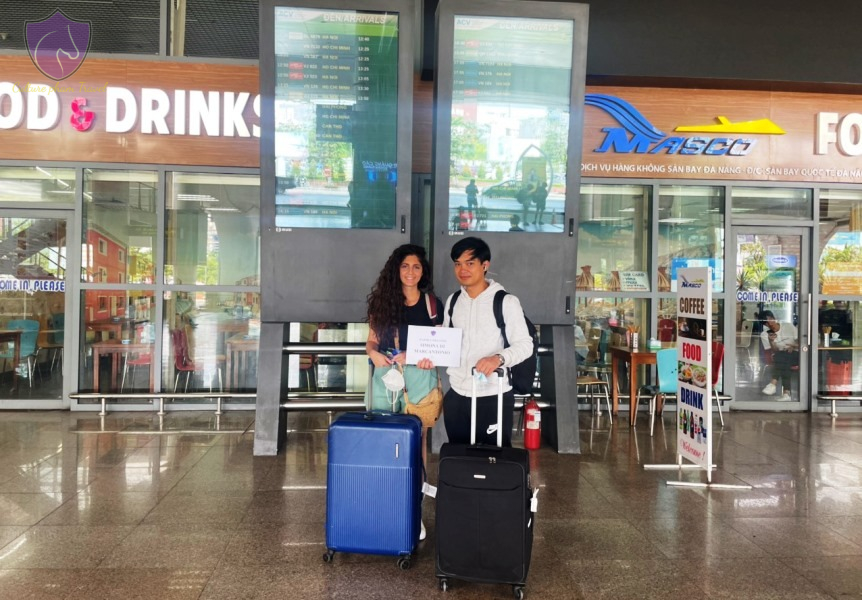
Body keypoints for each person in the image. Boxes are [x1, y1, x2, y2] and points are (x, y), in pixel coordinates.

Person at [365, 244, 442, 541]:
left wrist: (421, 356)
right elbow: (371, 341)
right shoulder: (382, 302)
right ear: (396, 270)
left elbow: (441, 346)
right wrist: (373, 354)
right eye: (405, 266)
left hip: (419, 378)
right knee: (384, 439)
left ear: (423, 272)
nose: (411, 272)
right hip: (386, 377)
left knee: (416, 441)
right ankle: (386, 506)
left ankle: (413, 510)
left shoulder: (432, 304)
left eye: (417, 267)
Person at [442, 237, 533, 447]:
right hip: (457, 395)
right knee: (459, 458)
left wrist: (498, 359)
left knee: (494, 460)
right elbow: (448, 345)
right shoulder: (453, 301)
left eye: (470, 263)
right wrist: (431, 353)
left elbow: (525, 344)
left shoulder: (506, 301)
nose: (463, 269)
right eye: (457, 264)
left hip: (493, 395)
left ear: (485, 265)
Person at [759, 310, 798, 402]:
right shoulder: (764, 334)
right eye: (766, 323)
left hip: (796, 354)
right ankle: (786, 393)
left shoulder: (788, 326)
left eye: (770, 319)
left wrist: (793, 346)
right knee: (783, 358)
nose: (770, 323)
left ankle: (773, 383)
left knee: (782, 358)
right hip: (781, 356)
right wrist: (771, 341)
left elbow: (801, 342)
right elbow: (774, 350)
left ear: (774, 318)